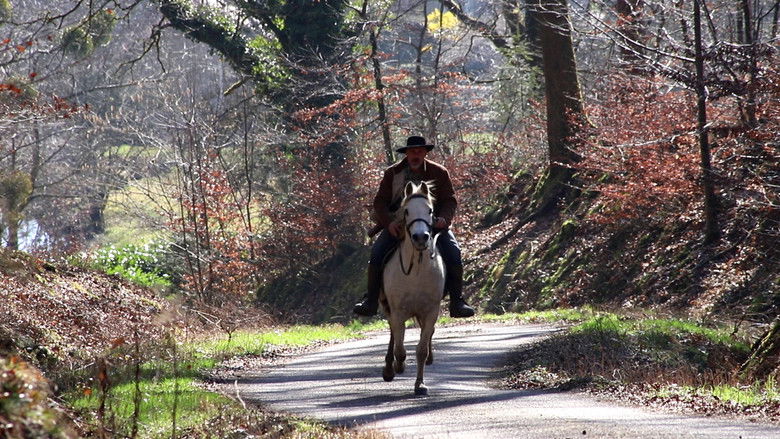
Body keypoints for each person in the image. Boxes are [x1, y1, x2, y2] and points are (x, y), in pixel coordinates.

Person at [353, 135, 475, 318]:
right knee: (377, 253)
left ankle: (457, 301)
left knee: (454, 253)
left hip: (433, 225)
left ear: (425, 152)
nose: (415, 154)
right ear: (407, 153)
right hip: (398, 225)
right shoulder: (393, 173)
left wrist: (444, 219)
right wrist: (389, 223)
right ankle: (370, 300)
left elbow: (450, 200)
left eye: (419, 151)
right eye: (412, 151)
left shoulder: (439, 172)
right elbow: (380, 202)